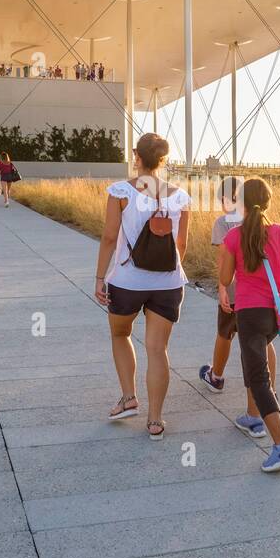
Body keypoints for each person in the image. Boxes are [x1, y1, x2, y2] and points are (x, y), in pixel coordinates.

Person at [94, 133, 192, 440]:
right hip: (169, 283)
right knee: (157, 349)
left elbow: (110, 237)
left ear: (137, 155)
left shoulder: (121, 191)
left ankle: (128, 398)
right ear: (163, 160)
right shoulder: (180, 195)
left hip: (127, 281)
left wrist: (100, 277)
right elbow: (181, 245)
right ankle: (155, 421)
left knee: (120, 333)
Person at [218, 177, 280, 472]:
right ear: (268, 202)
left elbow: (225, 278)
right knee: (256, 365)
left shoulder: (234, 236)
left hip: (250, 315)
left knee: (258, 380)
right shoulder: (279, 232)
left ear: (240, 203)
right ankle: (252, 417)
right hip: (274, 315)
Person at [198, 176, 278, 439]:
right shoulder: (265, 225)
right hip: (265, 299)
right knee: (263, 344)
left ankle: (217, 377)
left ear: (227, 199)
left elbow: (225, 263)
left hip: (235, 296)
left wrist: (222, 290)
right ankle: (269, 393)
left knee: (226, 335)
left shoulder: (224, 224)